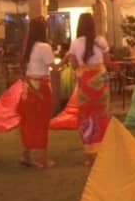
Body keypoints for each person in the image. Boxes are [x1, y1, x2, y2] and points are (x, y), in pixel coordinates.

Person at [64, 13, 110, 165]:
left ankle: (89, 155)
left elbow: (73, 64)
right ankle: (103, 152)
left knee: (86, 116)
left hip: (85, 81)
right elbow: (107, 61)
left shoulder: (76, 43)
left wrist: (84, 68)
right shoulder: (101, 40)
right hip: (101, 79)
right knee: (102, 115)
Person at [18, 15, 56, 169]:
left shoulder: (29, 47)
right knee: (41, 122)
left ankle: (26, 155)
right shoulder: (44, 47)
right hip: (41, 87)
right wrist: (66, 59)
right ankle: (41, 159)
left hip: (28, 89)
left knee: (28, 122)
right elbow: (54, 67)